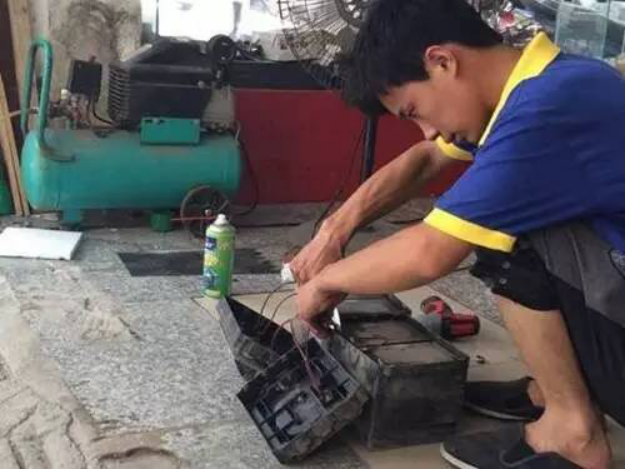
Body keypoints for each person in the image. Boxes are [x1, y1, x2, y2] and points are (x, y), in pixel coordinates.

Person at [290, 0, 625, 467]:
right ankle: (553, 391)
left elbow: (431, 251)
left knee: (500, 234)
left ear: (443, 61)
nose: (427, 132)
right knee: (504, 214)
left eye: (415, 112)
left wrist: (326, 283)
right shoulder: (549, 82)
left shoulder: (549, 107)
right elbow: (426, 161)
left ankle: (572, 431)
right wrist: (335, 229)